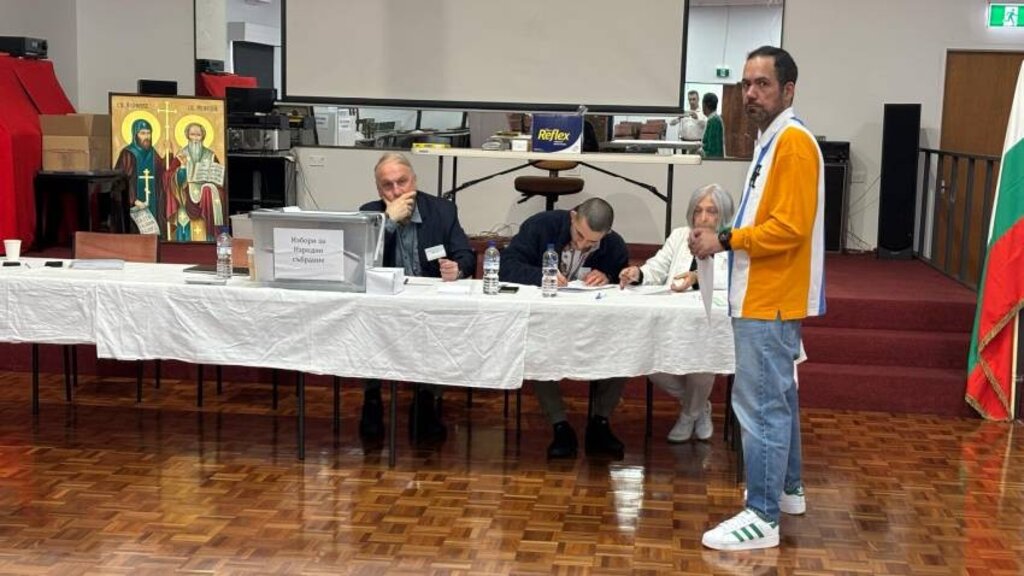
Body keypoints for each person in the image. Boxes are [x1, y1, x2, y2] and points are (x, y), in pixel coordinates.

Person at [689, 46, 824, 551]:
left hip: (770, 297)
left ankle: (763, 516)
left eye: (762, 84)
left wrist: (724, 239)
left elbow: (789, 228)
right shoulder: (773, 141)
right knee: (778, 399)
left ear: (788, 90)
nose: (750, 93)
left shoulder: (792, 143)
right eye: (746, 84)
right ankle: (788, 490)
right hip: (765, 293)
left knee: (761, 405)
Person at [358, 152, 475, 443]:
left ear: (415, 181)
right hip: (385, 304)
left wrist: (457, 269)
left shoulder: (443, 210)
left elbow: (466, 255)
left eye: (402, 182)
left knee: (440, 327)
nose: (397, 191)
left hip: (428, 303)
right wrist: (388, 222)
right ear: (379, 190)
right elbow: (360, 263)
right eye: (388, 186)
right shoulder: (369, 214)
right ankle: (372, 399)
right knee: (366, 321)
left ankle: (425, 398)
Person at [500, 198, 630, 459]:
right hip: (546, 320)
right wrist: (541, 276)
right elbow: (507, 267)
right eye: (579, 235)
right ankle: (559, 424)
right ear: (572, 217)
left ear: (606, 234)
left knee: (623, 342)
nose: (582, 245)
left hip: (593, 324)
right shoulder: (540, 227)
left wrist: (608, 276)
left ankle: (600, 420)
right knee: (536, 345)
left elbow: (622, 277)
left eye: (592, 243)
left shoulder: (614, 244)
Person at [618, 184, 734, 442]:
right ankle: (699, 408)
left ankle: (688, 416)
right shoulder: (680, 236)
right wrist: (638, 273)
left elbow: (734, 278)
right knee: (647, 360)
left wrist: (696, 277)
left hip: (708, 322)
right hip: (673, 320)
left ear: (723, 214)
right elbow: (657, 268)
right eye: (698, 211)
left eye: (711, 211)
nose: (703, 217)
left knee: (703, 364)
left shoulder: (731, 240)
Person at [164, 122, 226, 241]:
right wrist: (182, 168)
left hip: (206, 200)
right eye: (192, 134)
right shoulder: (181, 155)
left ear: (203, 136)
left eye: (198, 135)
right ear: (187, 136)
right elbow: (171, 179)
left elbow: (220, 183)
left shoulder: (211, 155)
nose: (195, 138)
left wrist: (211, 186)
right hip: (185, 199)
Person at [114, 118, 164, 236]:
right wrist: (134, 200)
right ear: (135, 135)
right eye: (142, 133)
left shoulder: (153, 153)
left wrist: (170, 157)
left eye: (148, 133)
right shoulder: (128, 153)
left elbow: (162, 176)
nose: (146, 136)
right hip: (134, 206)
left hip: (154, 203)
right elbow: (119, 181)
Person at [701, 92, 725, 158]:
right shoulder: (713, 119)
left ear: (704, 105)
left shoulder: (714, 121)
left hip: (712, 160)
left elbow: (712, 148)